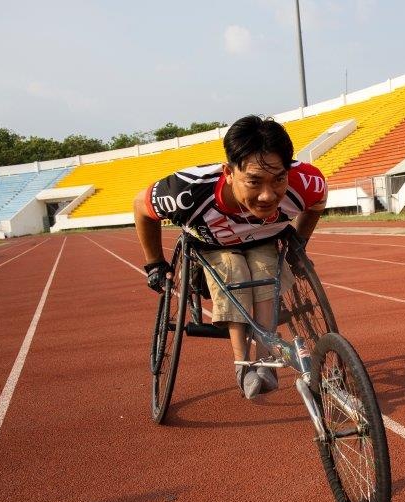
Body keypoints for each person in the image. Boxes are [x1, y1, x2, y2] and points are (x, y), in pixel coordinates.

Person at [133, 115, 327, 399]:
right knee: (233, 270)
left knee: (265, 271)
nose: (267, 195)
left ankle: (265, 360)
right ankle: (243, 364)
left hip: (265, 241)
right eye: (254, 182)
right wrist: (154, 263)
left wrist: (300, 243)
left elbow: (316, 205)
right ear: (228, 171)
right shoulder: (186, 191)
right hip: (212, 246)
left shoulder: (306, 182)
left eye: (278, 180)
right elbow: (140, 207)